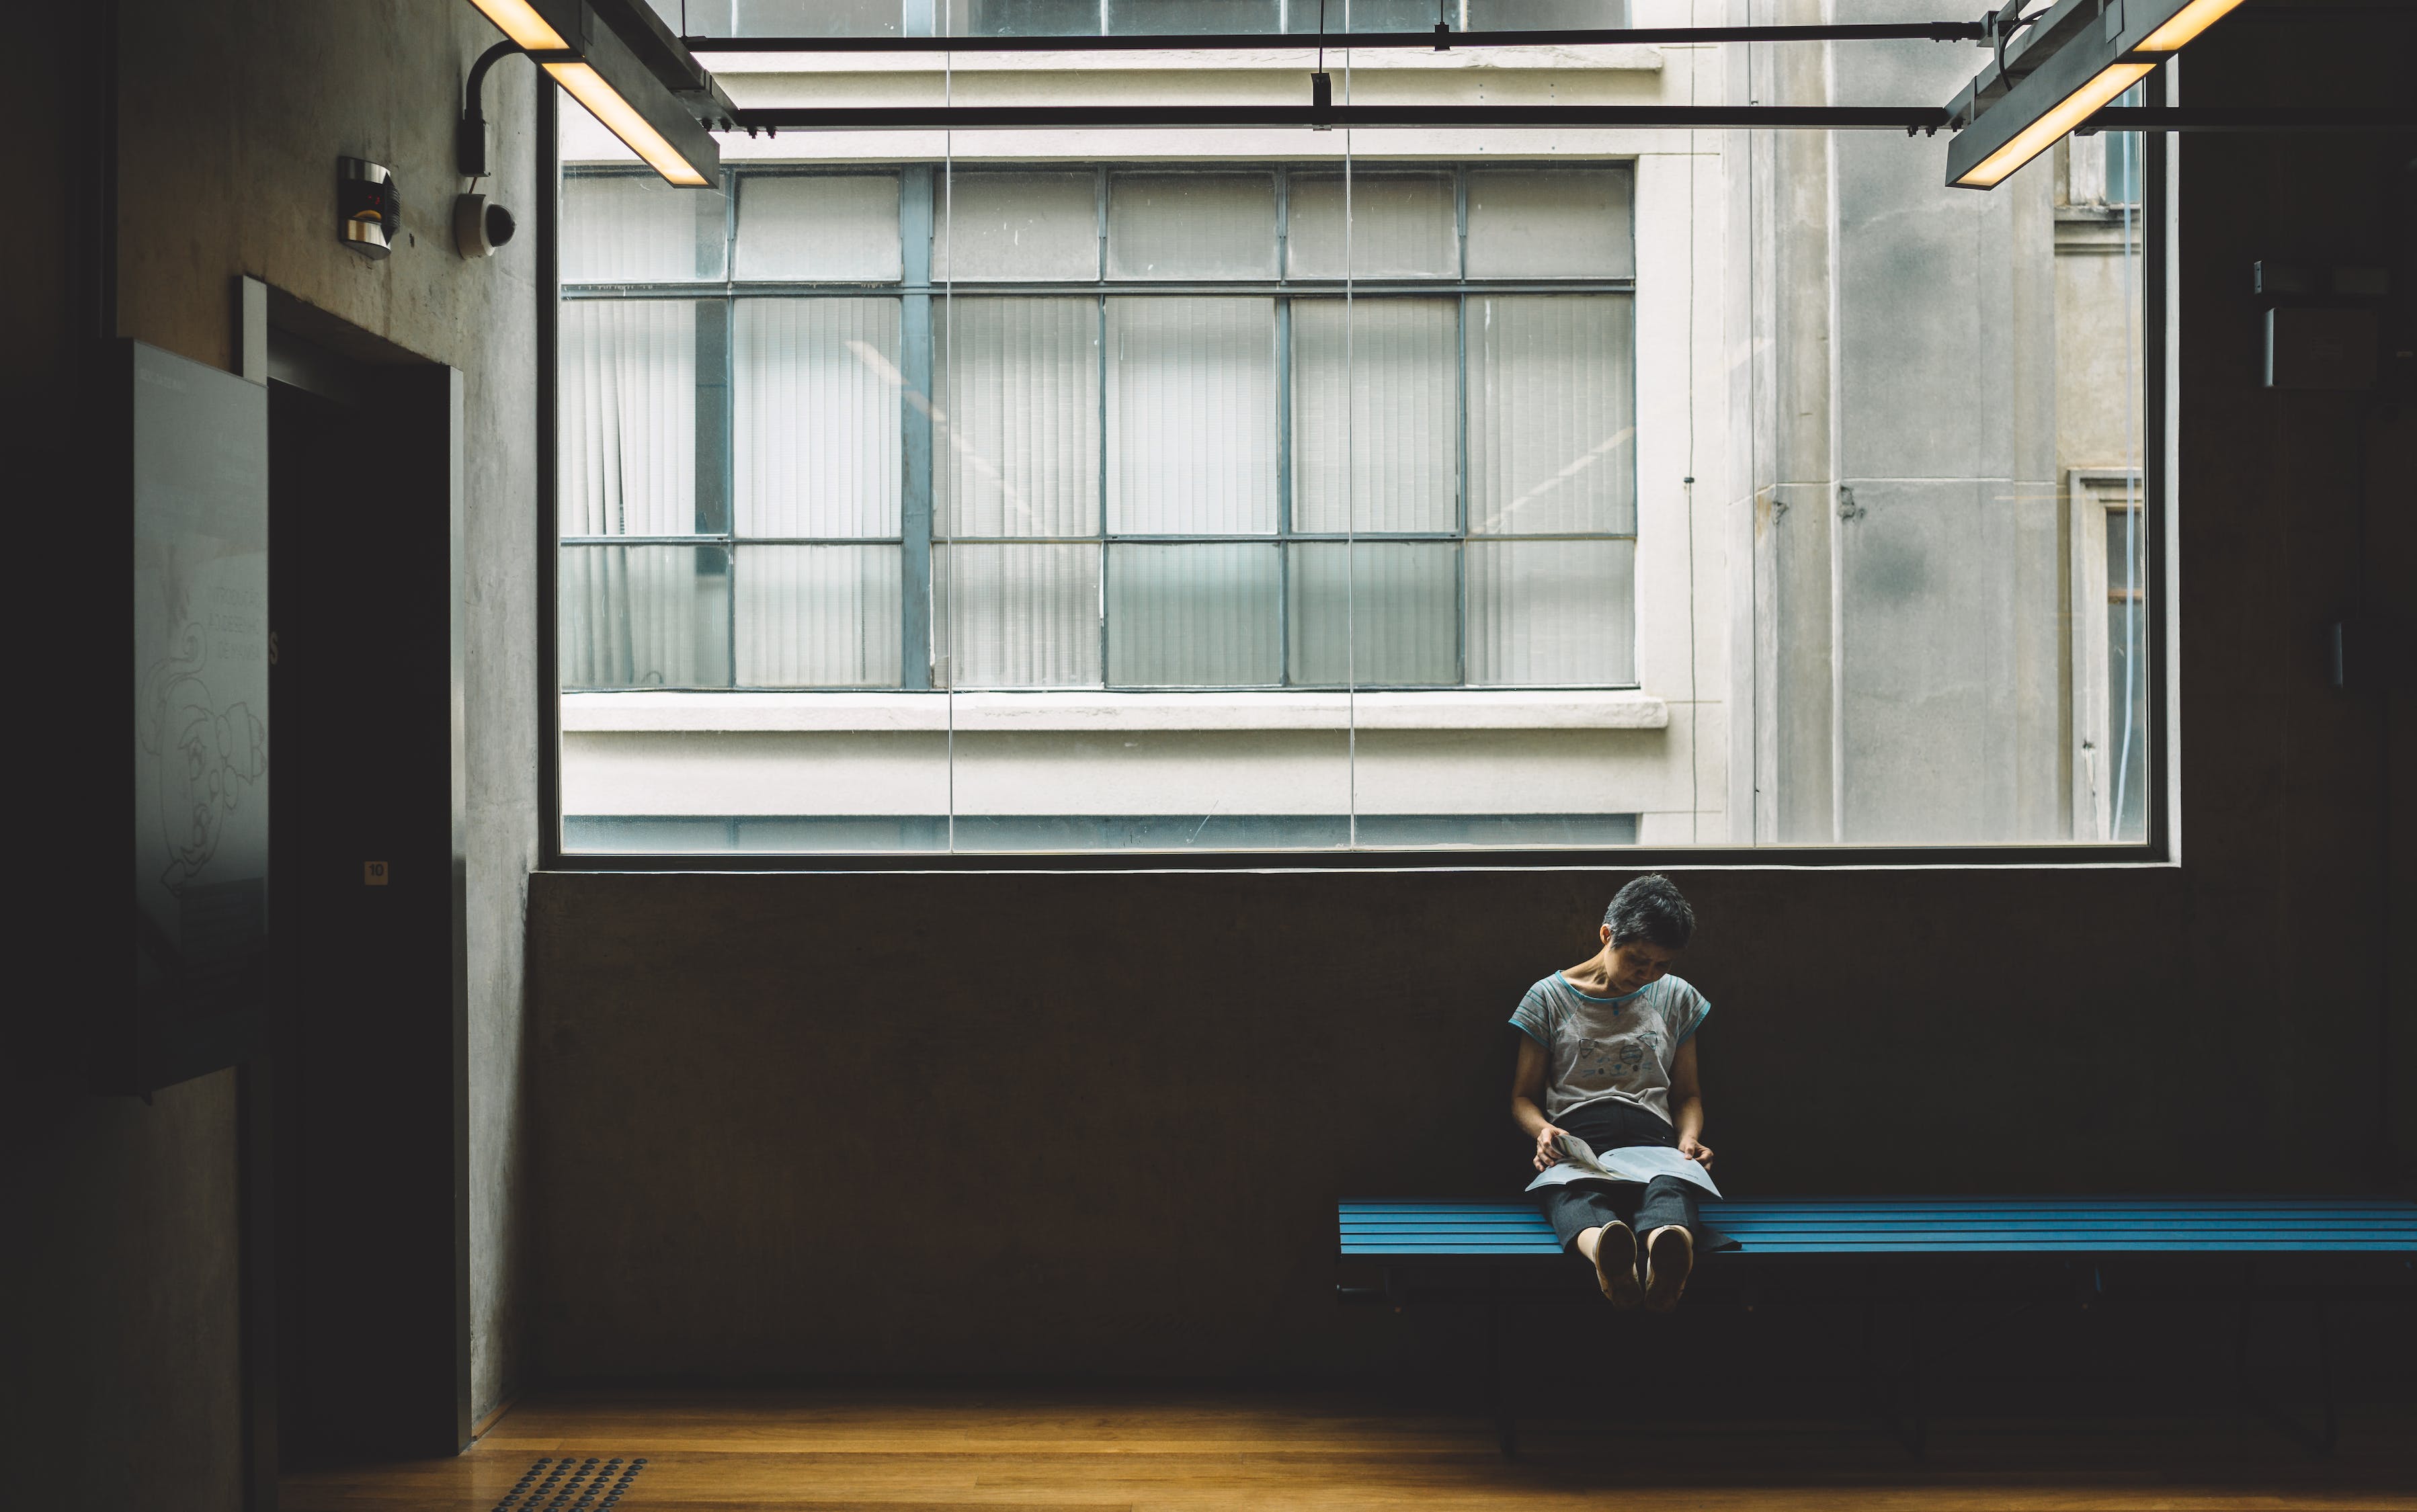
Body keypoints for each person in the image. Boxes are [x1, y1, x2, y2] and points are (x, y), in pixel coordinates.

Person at [1508, 874, 1725, 1311]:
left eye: (1661, 965)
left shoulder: (1676, 997)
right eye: (1637, 960)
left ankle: (1669, 1247)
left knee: (1673, 1183)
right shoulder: (1548, 998)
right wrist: (1544, 1132)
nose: (1646, 975)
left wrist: (1688, 1140)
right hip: (1578, 1135)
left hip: (1653, 1135)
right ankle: (1607, 1252)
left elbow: (1687, 1095)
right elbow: (1523, 1097)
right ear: (1607, 935)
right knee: (1566, 1189)